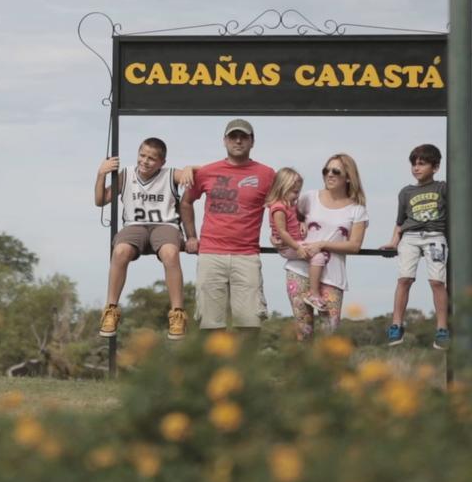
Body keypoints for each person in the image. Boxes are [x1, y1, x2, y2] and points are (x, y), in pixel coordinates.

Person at [180, 119, 276, 332]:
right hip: (211, 254)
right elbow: (186, 202)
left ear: (252, 142)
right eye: (233, 136)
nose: (238, 140)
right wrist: (191, 237)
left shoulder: (267, 174)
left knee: (250, 324)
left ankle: (245, 366)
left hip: (247, 255)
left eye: (244, 137)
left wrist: (284, 232)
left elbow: (280, 205)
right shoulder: (207, 172)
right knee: (210, 324)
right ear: (224, 141)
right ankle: (213, 367)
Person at [95, 138, 193, 340]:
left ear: (162, 162)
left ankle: (177, 314)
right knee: (120, 251)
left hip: (165, 225)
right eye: (142, 155)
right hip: (135, 225)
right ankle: (111, 310)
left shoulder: (170, 174)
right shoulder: (127, 174)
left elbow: (194, 174)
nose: (145, 161)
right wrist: (101, 174)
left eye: (152, 158)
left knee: (170, 252)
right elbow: (100, 200)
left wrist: (191, 168)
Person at [285, 154, 368, 340]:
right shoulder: (308, 198)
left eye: (336, 171)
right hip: (299, 271)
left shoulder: (357, 210)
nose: (329, 175)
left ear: (348, 177)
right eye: (326, 170)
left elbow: (355, 245)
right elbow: (284, 220)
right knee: (303, 334)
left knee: (329, 339)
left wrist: (322, 244)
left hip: (332, 277)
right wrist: (277, 238)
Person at [380, 144, 450, 349]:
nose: (416, 168)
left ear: (435, 167)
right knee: (405, 279)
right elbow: (400, 221)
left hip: (435, 235)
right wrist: (393, 242)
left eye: (422, 164)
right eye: (413, 164)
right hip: (410, 236)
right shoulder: (406, 192)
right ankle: (396, 325)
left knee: (437, 281)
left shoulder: (442, 188)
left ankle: (442, 328)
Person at [265, 167, 330, 310]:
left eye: (298, 191)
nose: (297, 195)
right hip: (289, 246)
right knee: (318, 257)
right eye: (294, 191)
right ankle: (314, 294)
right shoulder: (278, 208)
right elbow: (282, 232)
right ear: (283, 188)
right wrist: (298, 247)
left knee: (318, 254)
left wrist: (301, 223)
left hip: (295, 242)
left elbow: (297, 218)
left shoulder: (291, 205)